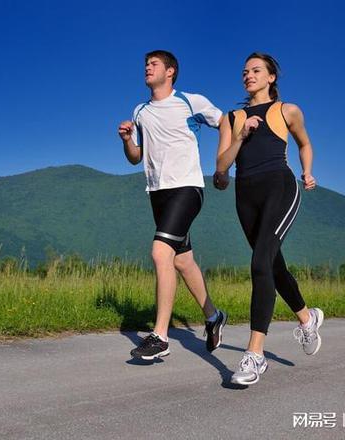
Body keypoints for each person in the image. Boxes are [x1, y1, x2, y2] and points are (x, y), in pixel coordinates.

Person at [213, 52, 324, 385]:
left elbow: (305, 144)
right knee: (273, 265)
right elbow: (221, 168)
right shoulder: (231, 118)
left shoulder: (287, 111)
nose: (248, 75)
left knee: (260, 263)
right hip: (245, 195)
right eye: (245, 71)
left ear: (271, 77)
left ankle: (255, 355)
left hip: (280, 186)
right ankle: (307, 319)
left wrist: (307, 172)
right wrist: (241, 136)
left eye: (256, 70)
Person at [118, 50, 227, 360]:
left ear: (170, 72)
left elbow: (226, 122)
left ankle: (160, 336)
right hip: (158, 192)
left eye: (153, 64)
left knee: (160, 252)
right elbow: (136, 157)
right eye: (145, 65)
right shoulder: (140, 111)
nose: (147, 68)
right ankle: (213, 316)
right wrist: (126, 140)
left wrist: (223, 166)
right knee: (181, 260)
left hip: (187, 188)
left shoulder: (191, 101)